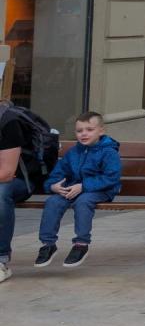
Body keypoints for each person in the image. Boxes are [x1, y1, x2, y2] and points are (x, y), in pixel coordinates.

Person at [35, 112, 122, 269]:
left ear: (101, 131)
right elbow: (57, 174)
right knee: (53, 202)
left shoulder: (109, 151)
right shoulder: (74, 152)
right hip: (74, 188)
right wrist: (53, 186)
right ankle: (48, 244)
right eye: (79, 130)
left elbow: (111, 178)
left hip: (102, 190)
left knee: (83, 202)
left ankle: (81, 244)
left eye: (89, 129)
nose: (84, 134)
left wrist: (83, 186)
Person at [0, 100, 39, 283]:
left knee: (0, 194)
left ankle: (1, 260)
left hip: (20, 180)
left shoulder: (8, 120)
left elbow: (7, 173)